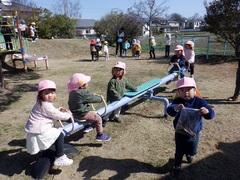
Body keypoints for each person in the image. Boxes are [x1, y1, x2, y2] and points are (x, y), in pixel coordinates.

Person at [167, 77, 215, 177]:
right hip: (180, 131)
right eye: (182, 90)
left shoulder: (199, 102)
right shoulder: (178, 101)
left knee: (192, 149)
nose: (186, 92)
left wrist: (207, 111)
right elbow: (169, 110)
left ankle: (189, 154)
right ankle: (177, 165)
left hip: (194, 132)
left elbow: (210, 114)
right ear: (178, 92)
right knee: (179, 150)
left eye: (189, 89)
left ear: (195, 90)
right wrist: (175, 108)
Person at [25, 80, 73, 167]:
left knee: (54, 131)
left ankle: (45, 153)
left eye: (52, 92)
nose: (50, 95)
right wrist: (68, 115)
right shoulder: (45, 105)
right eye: (47, 93)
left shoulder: (40, 102)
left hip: (34, 130)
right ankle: (60, 156)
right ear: (41, 94)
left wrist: (56, 110)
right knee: (59, 134)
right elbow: (57, 115)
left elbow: (50, 112)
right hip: (40, 131)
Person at [67, 73, 111, 141]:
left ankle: (87, 126)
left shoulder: (72, 92)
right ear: (82, 85)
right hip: (82, 114)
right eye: (86, 83)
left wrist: (90, 96)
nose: (88, 84)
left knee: (88, 112)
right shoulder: (83, 92)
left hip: (74, 113)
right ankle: (100, 135)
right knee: (98, 118)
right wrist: (100, 99)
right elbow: (92, 99)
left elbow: (83, 99)